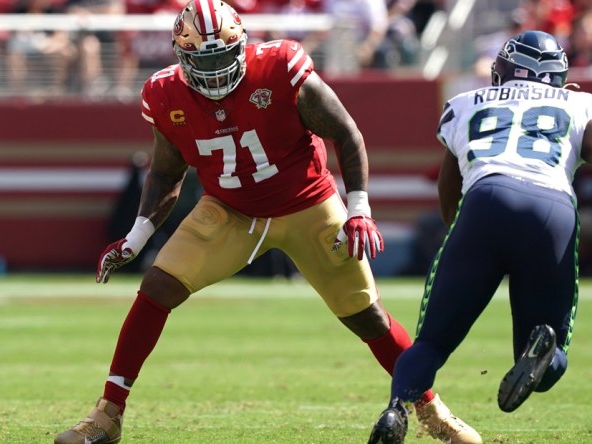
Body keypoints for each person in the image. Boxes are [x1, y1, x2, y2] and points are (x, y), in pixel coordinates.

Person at [52, 1, 480, 443]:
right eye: (205, 61)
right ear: (182, 59)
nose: (216, 72)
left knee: (366, 316)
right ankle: (107, 416)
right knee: (158, 286)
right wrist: (137, 235)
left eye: (223, 58)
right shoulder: (165, 95)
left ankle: (434, 412)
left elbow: (346, 132)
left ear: (242, 46)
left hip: (307, 204)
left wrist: (358, 209)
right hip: (231, 210)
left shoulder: (280, 69)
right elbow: (166, 171)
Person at [368, 30, 592, 443]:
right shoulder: (580, 103)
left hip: (484, 202)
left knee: (432, 342)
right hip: (551, 211)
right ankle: (542, 352)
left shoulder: (467, 102)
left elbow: (449, 182)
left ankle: (395, 411)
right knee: (550, 361)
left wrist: (459, 235)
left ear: (504, 71)